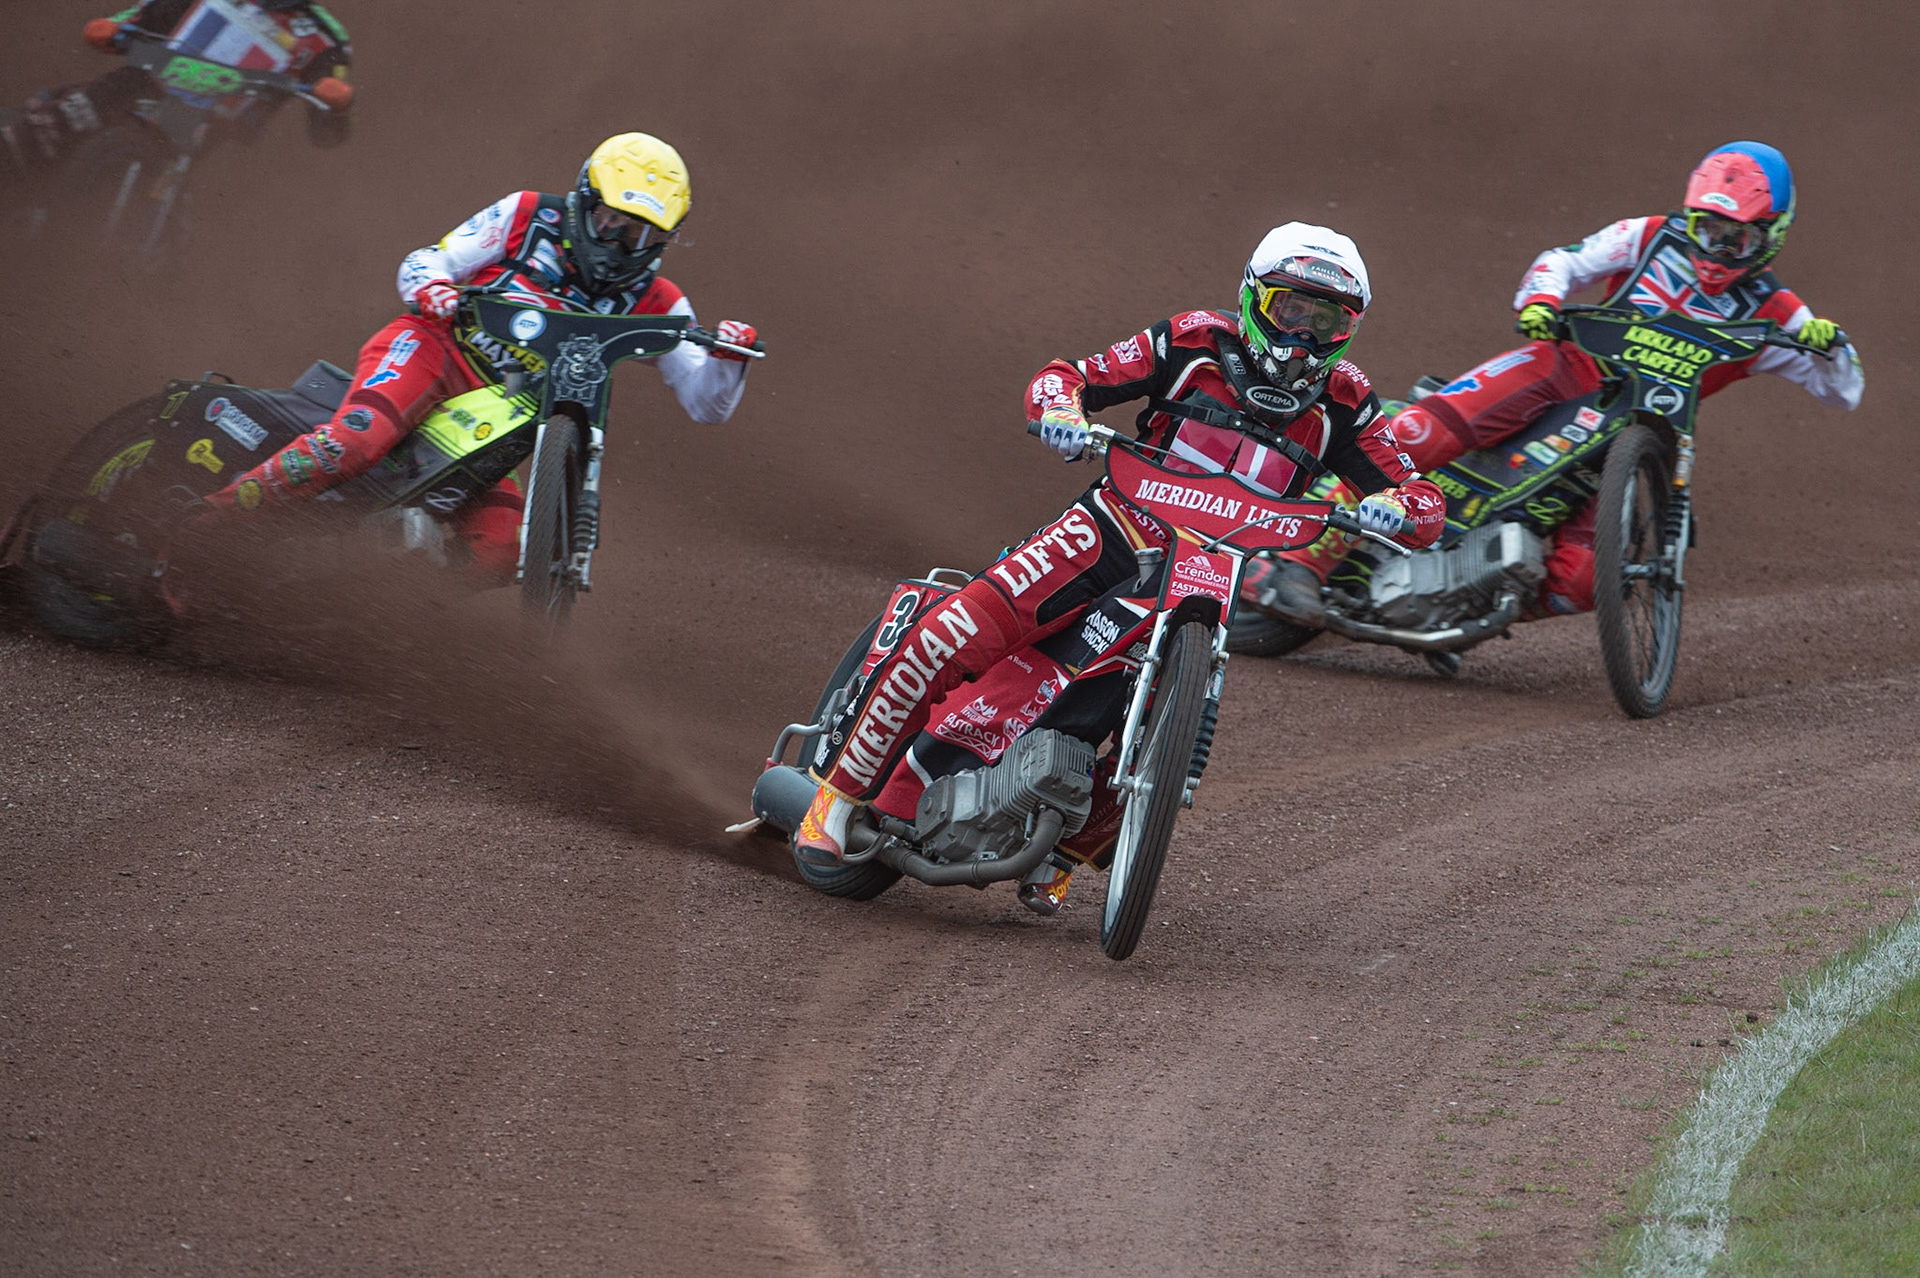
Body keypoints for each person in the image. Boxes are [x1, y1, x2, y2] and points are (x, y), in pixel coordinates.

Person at [795, 223, 1444, 912]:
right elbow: (1069, 376)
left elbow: (1422, 494)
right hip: (1109, 529)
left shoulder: (1348, 398)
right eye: (1293, 311)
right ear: (1256, 299)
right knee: (953, 633)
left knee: (1174, 726)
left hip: (1206, 571)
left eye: (1328, 320)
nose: (1305, 336)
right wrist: (1061, 413)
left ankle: (1066, 850)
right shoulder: (1193, 340)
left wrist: (1397, 508)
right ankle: (833, 800)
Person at [1249, 141, 1864, 624]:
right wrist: (1541, 300)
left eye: (1740, 236)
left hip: (1641, 433)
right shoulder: (1649, 236)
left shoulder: (1779, 309)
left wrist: (1829, 348)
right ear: (1689, 213)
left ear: (1773, 233)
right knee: (1413, 435)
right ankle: (1295, 563)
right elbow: (1566, 261)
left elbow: (1847, 388)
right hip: (1561, 373)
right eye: (1709, 228)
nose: (1720, 247)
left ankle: (1471, 601)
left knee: (1586, 578)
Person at [197, 131, 760, 583]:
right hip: (435, 354)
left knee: (502, 552)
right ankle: (209, 519)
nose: (619, 245)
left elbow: (705, 404)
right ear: (584, 201)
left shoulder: (657, 300)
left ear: (663, 242)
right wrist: (434, 288)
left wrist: (730, 358)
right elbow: (425, 261)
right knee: (356, 441)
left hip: (491, 424)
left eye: (640, 236)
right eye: (611, 223)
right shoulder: (525, 215)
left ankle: (365, 598)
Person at [2, 2, 355, 178]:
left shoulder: (325, 38)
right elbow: (130, 21)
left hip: (207, 128)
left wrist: (337, 104)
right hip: (136, 87)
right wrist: (113, 28)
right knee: (50, 124)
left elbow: (327, 134)